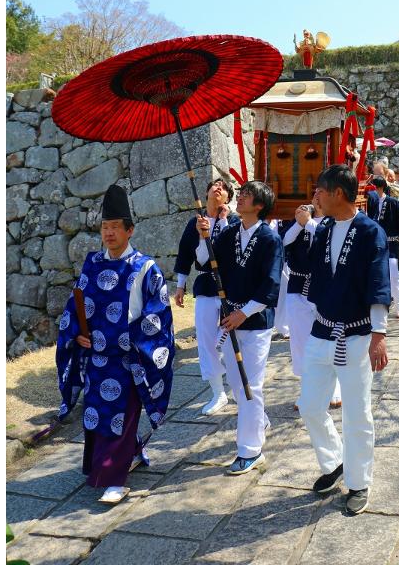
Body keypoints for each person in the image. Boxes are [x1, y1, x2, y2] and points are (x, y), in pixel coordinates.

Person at [55, 184, 174, 504]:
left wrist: (132, 342)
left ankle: (115, 480)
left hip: (127, 356)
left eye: (114, 227)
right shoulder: (93, 263)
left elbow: (158, 313)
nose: (108, 233)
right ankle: (125, 457)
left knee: (121, 413)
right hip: (95, 354)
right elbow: (77, 302)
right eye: (104, 227)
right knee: (96, 412)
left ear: (129, 230)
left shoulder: (145, 267)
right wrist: (77, 334)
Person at [301, 164, 391, 515]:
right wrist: (301, 228)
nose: (315, 197)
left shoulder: (371, 232)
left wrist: (379, 335)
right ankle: (335, 461)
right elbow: (303, 267)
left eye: (320, 191)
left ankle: (359, 481)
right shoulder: (322, 228)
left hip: (356, 333)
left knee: (357, 412)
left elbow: (378, 282)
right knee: (310, 406)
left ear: (337, 193)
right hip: (322, 330)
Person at [194, 181, 282, 474]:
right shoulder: (230, 231)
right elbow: (206, 261)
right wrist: (203, 235)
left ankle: (250, 450)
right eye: (241, 193)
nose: (240, 198)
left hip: (254, 322)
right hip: (230, 318)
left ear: (259, 206)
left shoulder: (270, 239)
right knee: (237, 384)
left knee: (249, 385)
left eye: (246, 195)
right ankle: (258, 420)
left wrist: (243, 313)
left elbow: (270, 286)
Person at [173, 178, 240, 416]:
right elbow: (186, 256)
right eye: (214, 185)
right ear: (207, 192)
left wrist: (221, 224)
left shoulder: (234, 222)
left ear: (228, 198)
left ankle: (239, 387)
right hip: (205, 285)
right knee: (207, 340)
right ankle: (217, 392)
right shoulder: (196, 223)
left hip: (232, 287)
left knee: (233, 339)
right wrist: (180, 286)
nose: (218, 188)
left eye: (223, 187)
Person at [280, 194, 342, 409]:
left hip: (323, 288)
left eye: (321, 194)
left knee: (327, 339)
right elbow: (284, 241)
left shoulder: (333, 222)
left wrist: (309, 223)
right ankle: (306, 389)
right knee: (299, 341)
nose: (316, 198)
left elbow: (330, 241)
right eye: (314, 194)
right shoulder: (299, 220)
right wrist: (299, 223)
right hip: (297, 287)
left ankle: (333, 387)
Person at [367, 175, 399, 319]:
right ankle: (381, 303)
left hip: (392, 245)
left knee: (393, 275)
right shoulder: (371, 203)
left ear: (379, 187)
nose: (371, 191)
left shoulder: (393, 203)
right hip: (375, 246)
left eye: (373, 188)